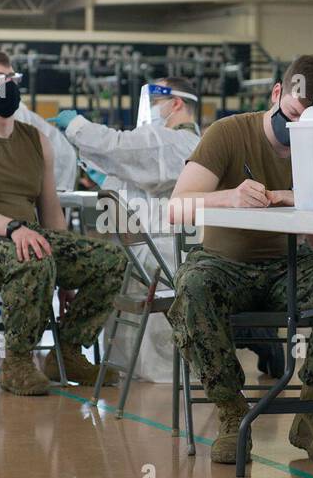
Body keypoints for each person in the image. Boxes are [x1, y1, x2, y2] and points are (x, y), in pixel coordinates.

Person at [167, 55, 313, 465]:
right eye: (294, 115)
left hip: (288, 268)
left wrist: (309, 205)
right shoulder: (228, 133)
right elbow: (176, 207)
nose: (297, 129)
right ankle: (231, 412)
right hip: (225, 264)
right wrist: (230, 196)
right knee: (192, 288)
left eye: (309, 125)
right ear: (278, 94)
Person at [0, 51, 127, 396]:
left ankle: (67, 352)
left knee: (111, 261)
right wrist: (13, 228)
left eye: (10, 79)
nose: (5, 86)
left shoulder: (37, 140)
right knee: (32, 256)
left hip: (25, 237)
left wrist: (70, 271)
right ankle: (18, 362)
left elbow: (51, 213)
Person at [52, 77, 203, 383]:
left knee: (156, 358)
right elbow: (138, 176)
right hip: (149, 254)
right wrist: (105, 175)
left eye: (155, 103)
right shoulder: (164, 143)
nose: (150, 111)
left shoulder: (180, 142)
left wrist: (76, 126)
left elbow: (121, 147)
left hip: (162, 257)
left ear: (176, 104)